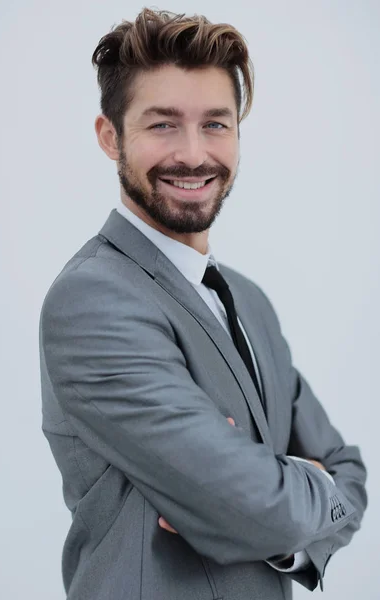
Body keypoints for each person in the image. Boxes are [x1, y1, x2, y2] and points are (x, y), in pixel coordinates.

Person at [39, 8, 367, 600]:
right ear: (110, 135)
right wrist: (294, 492)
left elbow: (351, 474)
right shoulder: (92, 300)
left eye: (215, 124)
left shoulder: (250, 301)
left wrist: (281, 511)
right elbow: (266, 503)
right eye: (163, 125)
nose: (193, 154)